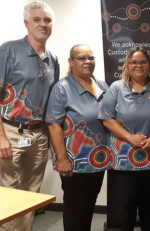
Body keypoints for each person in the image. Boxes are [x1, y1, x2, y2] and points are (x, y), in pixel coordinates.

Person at [0, 0, 59, 231]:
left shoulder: (52, 59)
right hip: (11, 131)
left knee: (30, 195)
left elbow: (51, 102)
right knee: (7, 193)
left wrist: (49, 138)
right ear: (26, 23)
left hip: (39, 135)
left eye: (47, 20)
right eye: (37, 19)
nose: (43, 24)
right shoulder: (9, 49)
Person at [98, 47, 150, 231]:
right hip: (125, 157)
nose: (139, 65)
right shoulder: (117, 88)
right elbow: (106, 118)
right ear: (127, 64)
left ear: (149, 64)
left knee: (149, 202)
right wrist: (130, 138)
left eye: (143, 61)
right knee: (127, 203)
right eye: (134, 62)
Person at [46, 44, 110, 231]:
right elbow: (53, 125)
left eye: (91, 58)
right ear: (71, 61)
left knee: (89, 204)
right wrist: (62, 159)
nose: (87, 62)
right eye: (82, 58)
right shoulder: (62, 88)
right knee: (75, 207)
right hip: (74, 162)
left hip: (98, 159)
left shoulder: (101, 85)